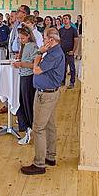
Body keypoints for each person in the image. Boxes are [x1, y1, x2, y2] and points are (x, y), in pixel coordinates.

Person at [20, 27, 66, 175]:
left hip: (45, 95)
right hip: (50, 94)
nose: (43, 41)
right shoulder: (54, 51)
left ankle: (39, 164)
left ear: (51, 40)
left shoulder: (53, 54)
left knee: (38, 128)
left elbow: (37, 70)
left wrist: (39, 53)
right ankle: (50, 156)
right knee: (50, 125)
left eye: (45, 38)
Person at [12, 27, 39, 145]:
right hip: (23, 76)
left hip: (28, 77)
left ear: (28, 36)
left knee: (27, 104)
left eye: (22, 38)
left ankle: (30, 129)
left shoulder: (32, 46)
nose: (21, 40)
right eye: (19, 38)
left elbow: (35, 64)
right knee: (22, 103)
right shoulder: (25, 46)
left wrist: (22, 64)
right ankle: (27, 128)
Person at [58, 14, 79, 89]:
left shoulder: (73, 30)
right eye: (63, 19)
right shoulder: (61, 30)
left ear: (69, 20)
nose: (65, 20)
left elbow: (76, 41)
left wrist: (73, 51)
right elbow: (59, 41)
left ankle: (72, 82)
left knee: (72, 68)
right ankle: (62, 81)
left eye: (66, 18)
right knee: (63, 67)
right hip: (62, 51)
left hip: (70, 52)